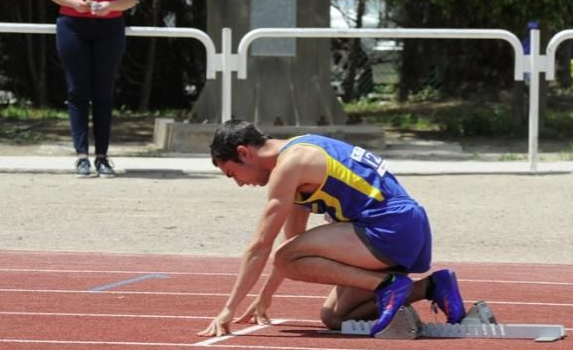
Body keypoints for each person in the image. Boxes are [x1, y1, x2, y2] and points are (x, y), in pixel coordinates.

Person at [197, 120, 467, 338]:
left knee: (285, 256)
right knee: (336, 317)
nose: (240, 184)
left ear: (244, 153)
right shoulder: (301, 152)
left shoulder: (291, 164)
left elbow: (261, 245)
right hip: (405, 229)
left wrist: (228, 310)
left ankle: (388, 284)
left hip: (390, 227)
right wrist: (264, 298)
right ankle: (433, 287)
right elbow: (293, 240)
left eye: (233, 174)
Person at [45, 0, 137, 178]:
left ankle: (103, 156)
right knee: (77, 91)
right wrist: (75, 2)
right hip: (72, 26)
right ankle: (81, 156)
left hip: (109, 29)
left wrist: (110, 6)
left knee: (103, 92)